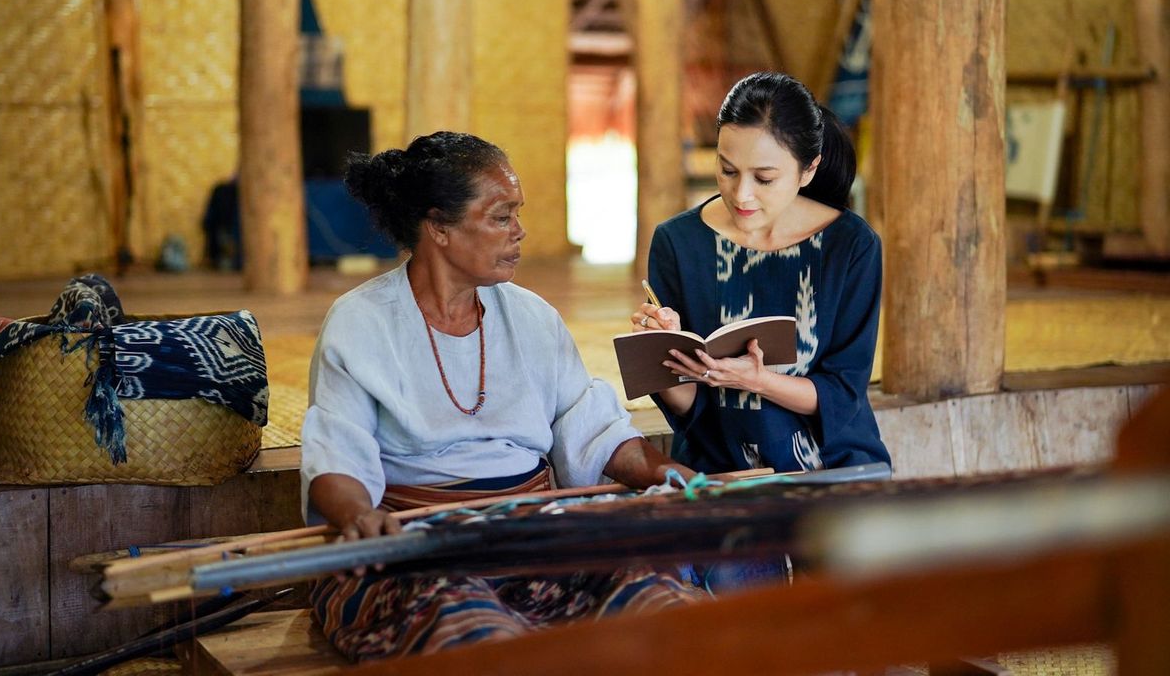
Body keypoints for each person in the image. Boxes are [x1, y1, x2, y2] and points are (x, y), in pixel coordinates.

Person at [301, 131, 701, 662]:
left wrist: (667, 476)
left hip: (531, 533)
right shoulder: (360, 323)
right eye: (500, 217)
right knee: (470, 630)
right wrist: (359, 514)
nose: (520, 232)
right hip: (421, 545)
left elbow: (591, 428)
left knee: (660, 604)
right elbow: (337, 447)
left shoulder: (533, 318)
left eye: (518, 214)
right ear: (438, 226)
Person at [631, 73, 890, 588]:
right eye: (726, 170)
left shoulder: (851, 246)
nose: (740, 194)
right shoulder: (678, 243)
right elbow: (693, 415)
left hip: (831, 466)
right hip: (723, 469)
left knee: (842, 615)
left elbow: (842, 393)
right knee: (734, 614)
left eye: (764, 178)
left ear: (808, 168)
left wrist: (756, 380)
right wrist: (665, 353)